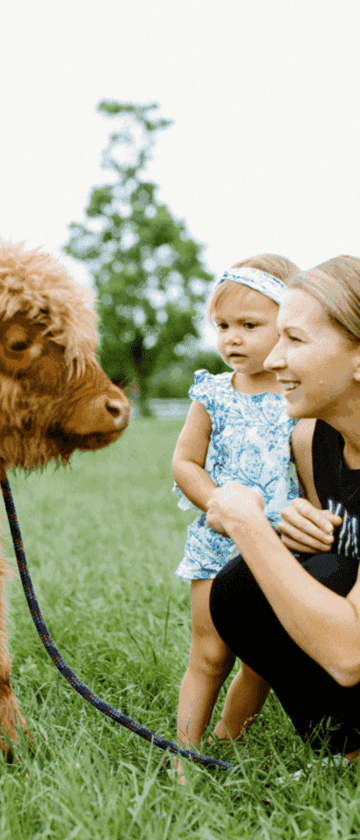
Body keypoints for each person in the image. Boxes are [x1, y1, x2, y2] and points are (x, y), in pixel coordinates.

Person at [207, 255, 360, 765]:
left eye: (294, 340)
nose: (273, 361)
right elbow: (336, 566)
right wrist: (298, 530)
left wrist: (247, 522)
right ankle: (346, 749)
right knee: (240, 589)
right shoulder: (312, 441)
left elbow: (350, 654)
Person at [172, 255, 301, 768]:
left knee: (261, 660)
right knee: (208, 655)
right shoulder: (213, 393)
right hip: (218, 541)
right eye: (223, 326)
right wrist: (215, 503)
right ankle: (184, 755)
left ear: (288, 325)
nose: (233, 339)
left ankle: (227, 744)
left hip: (279, 548)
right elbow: (185, 461)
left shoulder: (299, 394)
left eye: (250, 326)